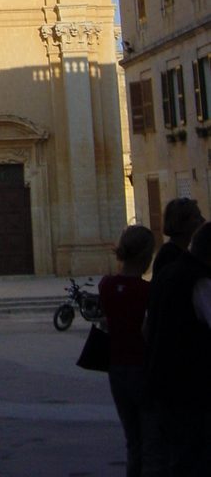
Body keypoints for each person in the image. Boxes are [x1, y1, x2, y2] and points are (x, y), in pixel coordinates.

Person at [144, 221, 211, 476]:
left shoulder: (165, 276)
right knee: (194, 461)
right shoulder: (199, 281)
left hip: (163, 388)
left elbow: (146, 329)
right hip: (192, 393)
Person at [98, 225, 162, 477]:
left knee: (133, 442)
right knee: (154, 445)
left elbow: (106, 321)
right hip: (143, 370)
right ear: (146, 256)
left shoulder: (107, 286)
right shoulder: (148, 291)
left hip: (116, 370)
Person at [151, 197, 204, 282]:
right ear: (183, 223)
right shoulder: (170, 257)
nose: (202, 220)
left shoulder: (180, 252)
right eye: (197, 217)